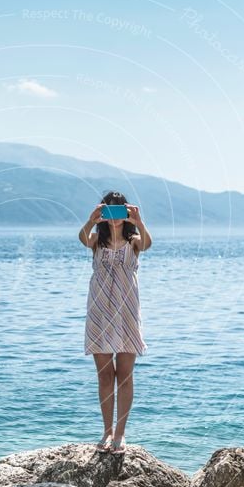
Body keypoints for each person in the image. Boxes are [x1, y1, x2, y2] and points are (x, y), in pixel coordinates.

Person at [78, 190, 152, 457]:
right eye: (110, 210)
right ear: (104, 212)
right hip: (99, 312)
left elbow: (147, 245)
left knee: (125, 376)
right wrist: (90, 220)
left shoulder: (134, 241)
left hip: (127, 314)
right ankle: (106, 431)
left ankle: (120, 434)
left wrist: (140, 222)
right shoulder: (97, 240)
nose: (115, 216)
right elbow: (82, 238)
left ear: (127, 212)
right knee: (105, 375)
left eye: (120, 210)